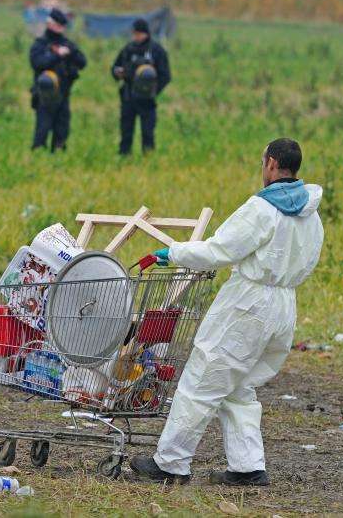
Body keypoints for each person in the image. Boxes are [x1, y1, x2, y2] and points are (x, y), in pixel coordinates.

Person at [131, 138, 325, 486]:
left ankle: (171, 463)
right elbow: (308, 262)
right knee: (239, 386)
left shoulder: (261, 209)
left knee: (202, 378)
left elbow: (219, 251)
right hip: (284, 305)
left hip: (248, 303)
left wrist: (174, 253)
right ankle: (248, 467)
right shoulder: (312, 216)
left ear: (270, 163)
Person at [29, 8, 87, 152]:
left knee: (62, 129)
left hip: (63, 93)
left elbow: (82, 62)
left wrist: (71, 53)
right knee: (43, 128)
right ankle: (38, 154)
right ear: (49, 24)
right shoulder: (40, 44)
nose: (60, 29)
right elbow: (38, 63)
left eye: (62, 26)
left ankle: (58, 155)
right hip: (44, 95)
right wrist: (57, 56)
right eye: (57, 25)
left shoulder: (67, 44)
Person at [111, 18, 170, 155]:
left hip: (147, 99)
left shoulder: (156, 51)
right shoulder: (128, 49)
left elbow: (165, 75)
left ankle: (148, 157)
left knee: (148, 132)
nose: (136, 37)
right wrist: (117, 72)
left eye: (139, 34)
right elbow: (115, 66)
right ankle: (124, 156)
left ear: (146, 34)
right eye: (134, 34)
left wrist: (154, 91)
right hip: (128, 96)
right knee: (126, 131)